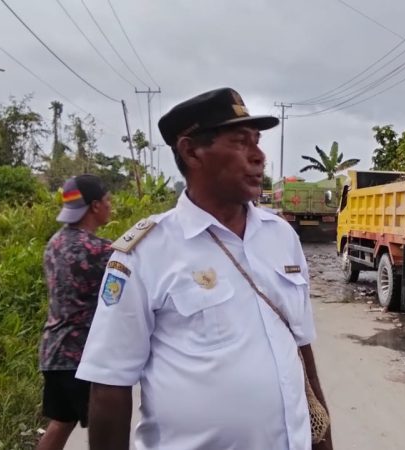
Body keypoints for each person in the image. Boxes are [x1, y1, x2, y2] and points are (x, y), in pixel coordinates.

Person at [76, 88, 332, 450]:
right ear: (191, 150)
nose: (259, 156)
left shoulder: (281, 237)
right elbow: (108, 385)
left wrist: (323, 439)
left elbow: (300, 348)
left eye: (257, 142)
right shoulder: (146, 252)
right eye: (240, 142)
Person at [36, 174, 113, 450]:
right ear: (94, 206)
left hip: (53, 351)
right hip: (80, 356)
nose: (110, 205)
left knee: (61, 422)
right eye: (107, 200)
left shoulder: (54, 243)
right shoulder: (96, 249)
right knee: (107, 427)